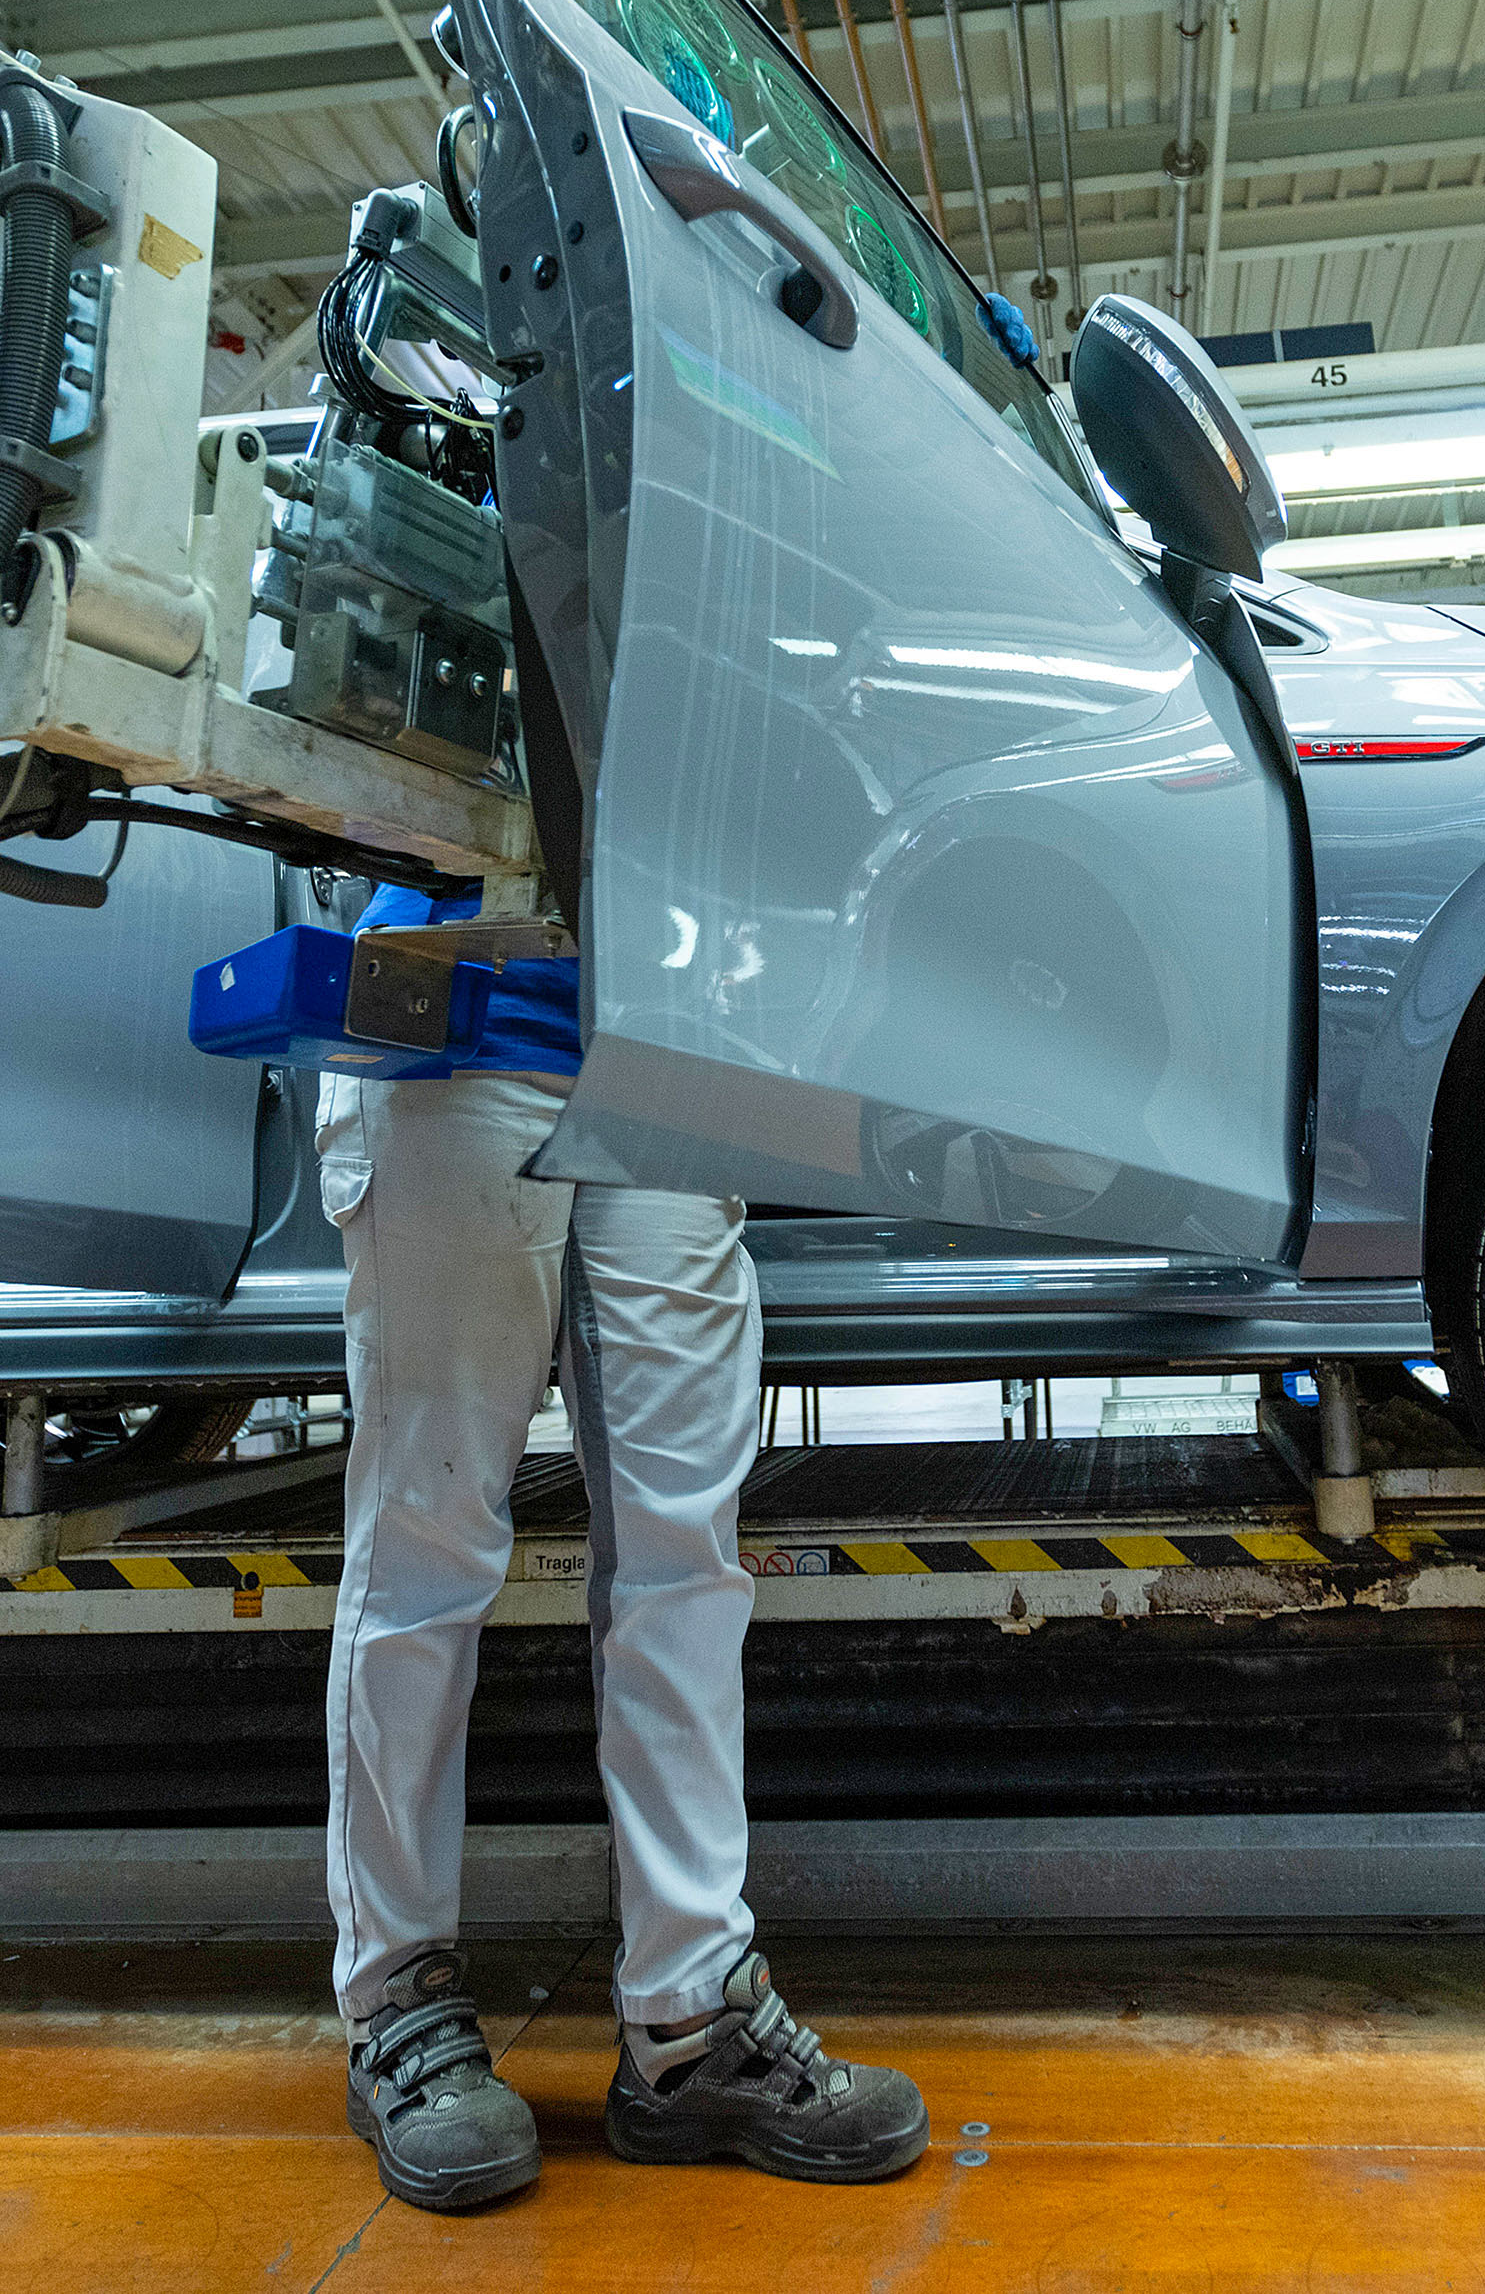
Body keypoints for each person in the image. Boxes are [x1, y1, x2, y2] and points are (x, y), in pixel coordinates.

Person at [319, 882, 928, 2212]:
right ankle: (397, 2004)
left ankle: (689, 2021)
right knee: (427, 1547)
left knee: (686, 1556)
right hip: (451, 1026)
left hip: (669, 1040)